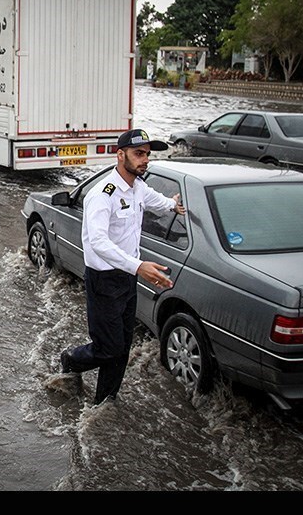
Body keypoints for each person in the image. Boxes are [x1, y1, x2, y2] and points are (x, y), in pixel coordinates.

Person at [60, 128, 186, 405]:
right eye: (138, 153)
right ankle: (71, 360)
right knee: (108, 348)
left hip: (128, 277)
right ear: (120, 155)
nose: (145, 160)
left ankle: (105, 402)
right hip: (104, 280)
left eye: (147, 154)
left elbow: (157, 201)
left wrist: (173, 205)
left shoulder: (138, 186)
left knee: (122, 347)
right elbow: (98, 242)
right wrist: (139, 266)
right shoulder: (102, 195)